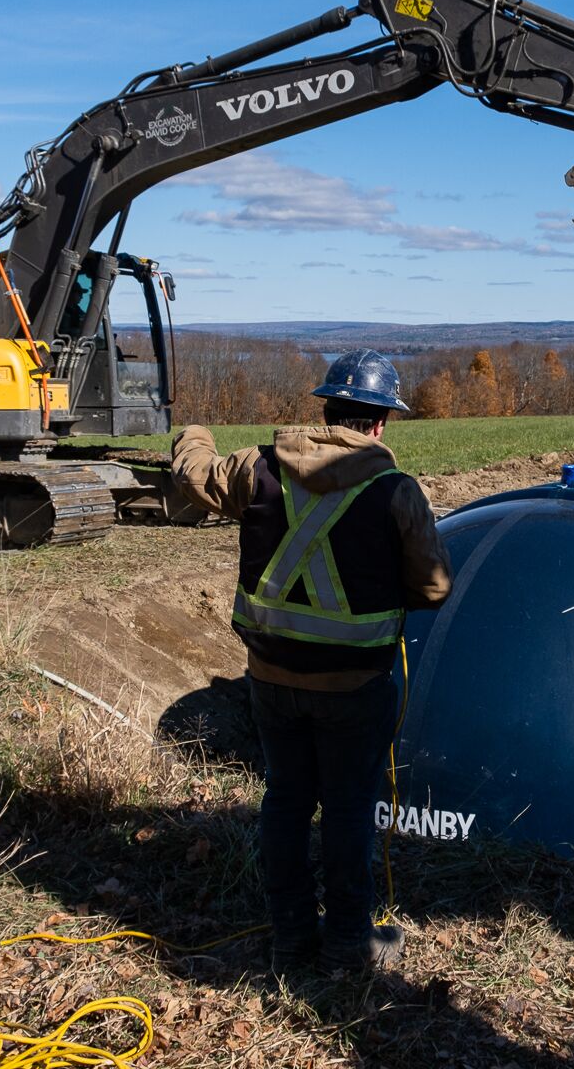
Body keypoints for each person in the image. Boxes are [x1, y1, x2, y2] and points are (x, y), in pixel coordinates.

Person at [169, 349, 453, 974]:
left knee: (287, 801)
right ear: (379, 423)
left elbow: (193, 476)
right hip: (356, 688)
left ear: (326, 408)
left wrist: (192, 431)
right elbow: (433, 588)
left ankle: (292, 941)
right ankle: (349, 945)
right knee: (349, 809)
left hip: (271, 678)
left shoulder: (257, 468)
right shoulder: (397, 492)